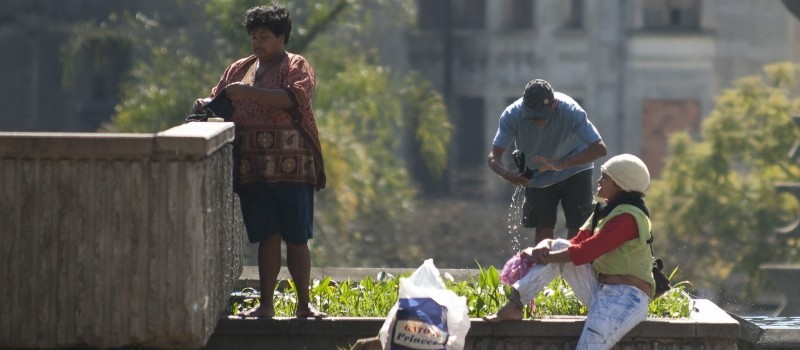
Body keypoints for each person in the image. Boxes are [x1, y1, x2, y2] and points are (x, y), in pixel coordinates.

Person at [192, 4, 326, 319]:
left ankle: (304, 305)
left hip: (293, 166)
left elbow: (294, 98)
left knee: (296, 237)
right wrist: (205, 104)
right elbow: (220, 101)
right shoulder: (239, 69)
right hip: (254, 167)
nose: (257, 42)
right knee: (267, 236)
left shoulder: (296, 65)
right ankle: (265, 305)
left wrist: (249, 93)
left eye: (264, 36)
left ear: (281, 37)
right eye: (254, 36)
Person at [484, 154, 656, 350]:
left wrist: (541, 256)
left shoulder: (628, 218)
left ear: (620, 184)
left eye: (605, 177)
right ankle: (515, 305)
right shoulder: (603, 212)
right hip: (599, 289)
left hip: (626, 298)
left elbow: (586, 252)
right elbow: (574, 244)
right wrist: (545, 245)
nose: (599, 181)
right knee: (558, 247)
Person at [488, 79, 607, 244]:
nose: (538, 122)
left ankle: (572, 268)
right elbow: (494, 156)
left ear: (554, 104)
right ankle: (544, 267)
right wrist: (508, 175)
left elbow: (600, 149)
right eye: (532, 117)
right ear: (524, 107)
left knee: (578, 226)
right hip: (537, 174)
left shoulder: (571, 111)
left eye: (543, 116)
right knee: (542, 226)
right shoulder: (512, 115)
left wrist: (562, 164)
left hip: (575, 167)